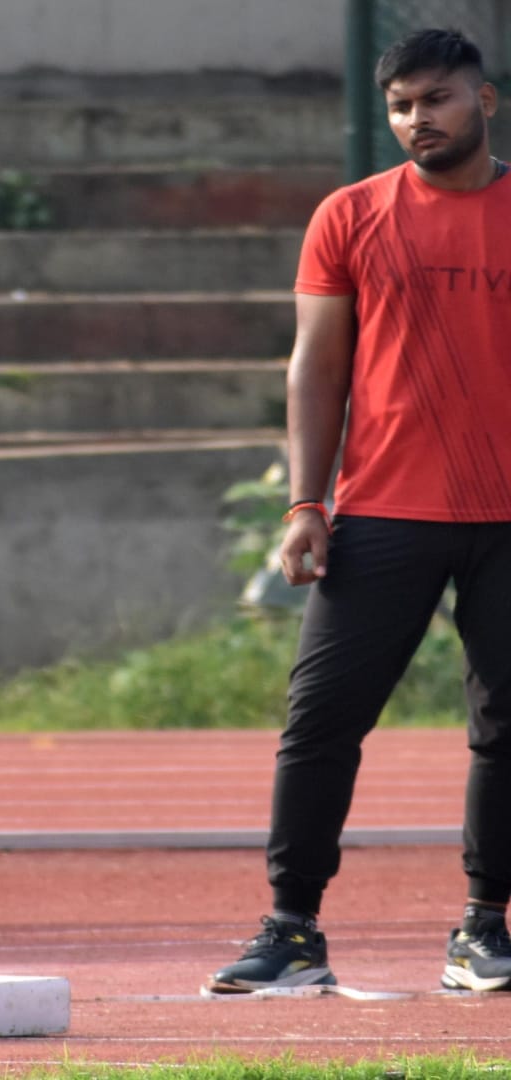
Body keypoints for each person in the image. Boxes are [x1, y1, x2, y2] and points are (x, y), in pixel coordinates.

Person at [207, 28, 511, 995]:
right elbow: (317, 367)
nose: (419, 119)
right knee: (321, 722)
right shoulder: (349, 214)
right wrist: (307, 498)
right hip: (383, 511)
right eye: (401, 105)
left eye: (438, 99)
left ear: (486, 100)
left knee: (506, 729)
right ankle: (292, 929)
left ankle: (482, 932)